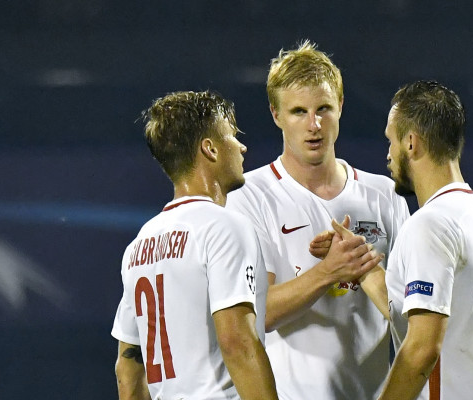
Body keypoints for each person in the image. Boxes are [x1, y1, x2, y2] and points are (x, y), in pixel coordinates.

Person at [225, 40, 411, 399]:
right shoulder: (249, 197)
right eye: (298, 112)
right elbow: (254, 316)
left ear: (341, 105)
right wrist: (329, 271)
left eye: (324, 108)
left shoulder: (384, 195)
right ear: (276, 115)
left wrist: (363, 267)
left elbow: (412, 313)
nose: (314, 125)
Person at [110, 91, 278, 400]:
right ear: (210, 149)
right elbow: (237, 343)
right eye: (232, 135)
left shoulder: (139, 245)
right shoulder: (225, 227)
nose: (242, 147)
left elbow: (129, 366)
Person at [348, 80, 473, 400]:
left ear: (411, 143)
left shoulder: (430, 224)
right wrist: (361, 263)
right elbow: (426, 309)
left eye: (391, 141)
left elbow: (421, 349)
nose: (388, 154)